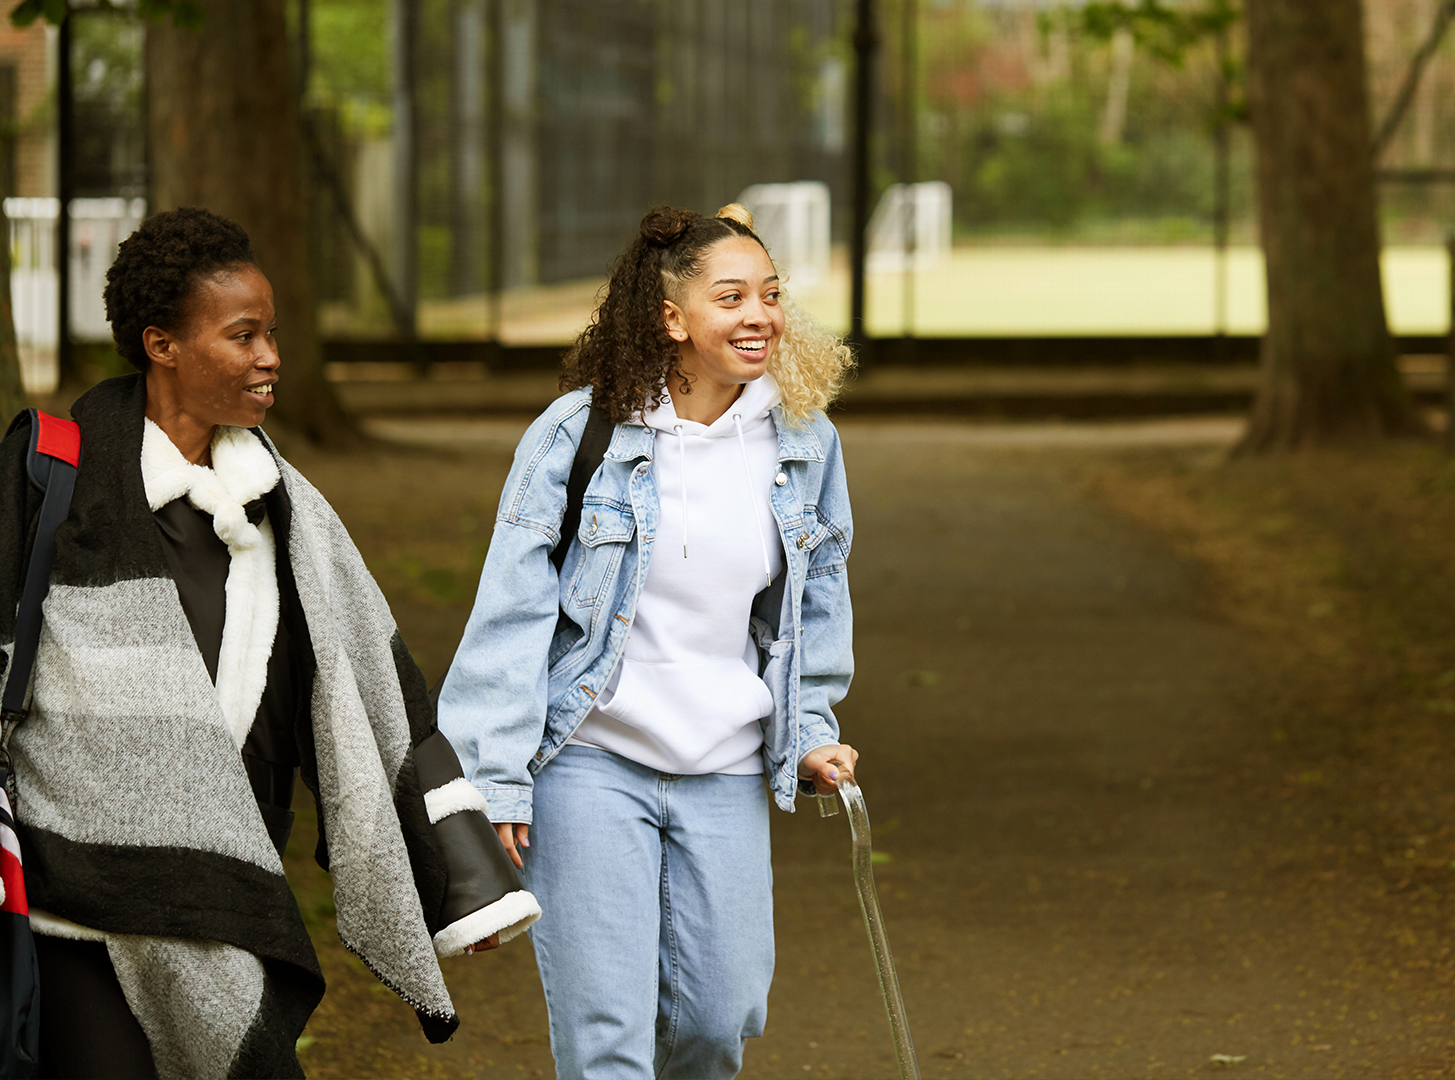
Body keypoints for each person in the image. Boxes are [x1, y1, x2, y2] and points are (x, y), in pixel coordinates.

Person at [0, 207, 539, 1079]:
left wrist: (464, 880)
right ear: (162, 344)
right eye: (243, 335)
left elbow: (381, 694)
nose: (271, 357)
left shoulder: (288, 514)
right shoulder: (51, 475)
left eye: (272, 334)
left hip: (234, 890)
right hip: (76, 895)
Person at [436, 203, 859, 1079]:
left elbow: (815, 600)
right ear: (673, 317)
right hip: (591, 760)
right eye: (732, 296)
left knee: (716, 1020)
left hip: (727, 766)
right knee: (607, 1040)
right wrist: (497, 777)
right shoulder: (577, 434)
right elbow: (510, 614)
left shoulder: (804, 442)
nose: (760, 316)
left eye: (771, 296)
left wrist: (812, 729)